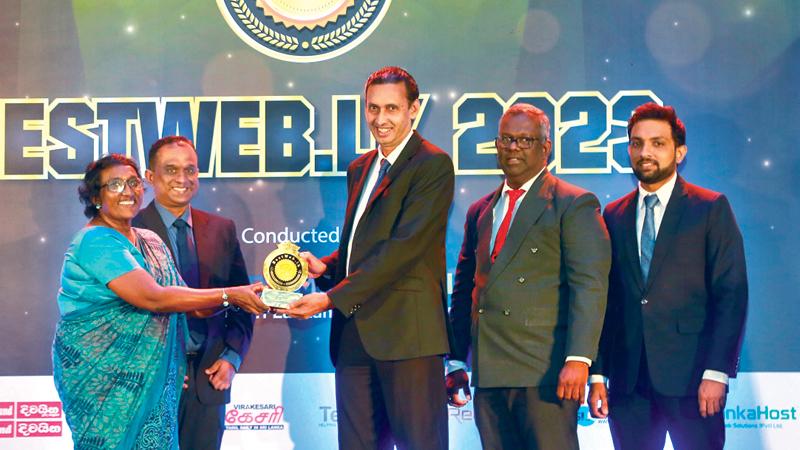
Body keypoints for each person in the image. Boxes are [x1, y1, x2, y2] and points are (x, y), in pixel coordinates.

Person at [277, 66, 454, 450]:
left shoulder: (432, 165)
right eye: (373, 108)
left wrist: (330, 297)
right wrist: (327, 267)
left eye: (392, 108)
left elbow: (404, 248)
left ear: (414, 109)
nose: (380, 119)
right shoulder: (360, 167)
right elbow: (364, 244)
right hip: (355, 336)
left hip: (409, 337)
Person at [52, 154, 265, 450]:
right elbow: (153, 297)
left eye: (133, 182)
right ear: (96, 197)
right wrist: (230, 294)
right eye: (115, 185)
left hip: (155, 384)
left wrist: (254, 295)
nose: (128, 191)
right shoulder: (94, 242)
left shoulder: (150, 240)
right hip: (104, 385)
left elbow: (193, 304)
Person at [446, 103, 611, 450]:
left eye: (525, 140)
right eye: (507, 139)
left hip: (546, 373)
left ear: (545, 148)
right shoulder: (482, 210)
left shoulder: (573, 204)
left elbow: (590, 287)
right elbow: (464, 291)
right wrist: (458, 358)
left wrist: (580, 360)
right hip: (490, 374)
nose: (513, 148)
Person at [588, 103, 748, 450]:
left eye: (657, 143)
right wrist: (598, 374)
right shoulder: (612, 214)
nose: (645, 152)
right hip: (628, 383)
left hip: (693, 379)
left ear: (680, 152)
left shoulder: (709, 208)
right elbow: (604, 301)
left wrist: (717, 372)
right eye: (637, 143)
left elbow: (731, 294)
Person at [133, 136, 254, 450]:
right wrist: (157, 367)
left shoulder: (221, 228)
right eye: (171, 170)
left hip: (208, 380)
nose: (182, 179)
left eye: (191, 170)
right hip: (148, 386)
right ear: (150, 177)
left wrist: (232, 358)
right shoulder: (127, 231)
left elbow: (240, 302)